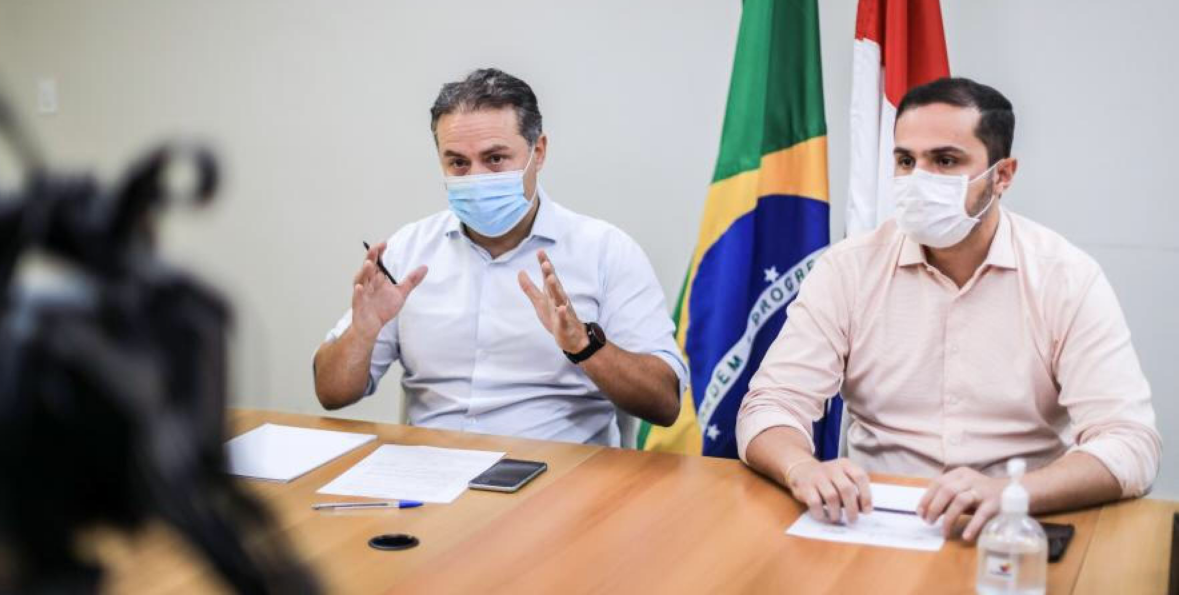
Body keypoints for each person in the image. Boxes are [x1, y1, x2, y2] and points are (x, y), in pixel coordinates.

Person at [736, 77, 1161, 540]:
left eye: (945, 161)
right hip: (873, 523)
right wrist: (802, 467)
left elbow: (1130, 443)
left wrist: (1012, 493)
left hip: (1014, 528)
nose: (919, 180)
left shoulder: (1065, 277)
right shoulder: (849, 269)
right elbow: (771, 404)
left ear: (1002, 175)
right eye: (905, 161)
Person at [313, 68, 686, 446]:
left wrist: (585, 346)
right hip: (431, 470)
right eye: (458, 163)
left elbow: (665, 403)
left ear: (538, 152)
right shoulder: (407, 252)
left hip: (557, 470)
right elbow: (330, 393)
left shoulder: (605, 252)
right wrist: (362, 332)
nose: (476, 177)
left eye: (494, 158)